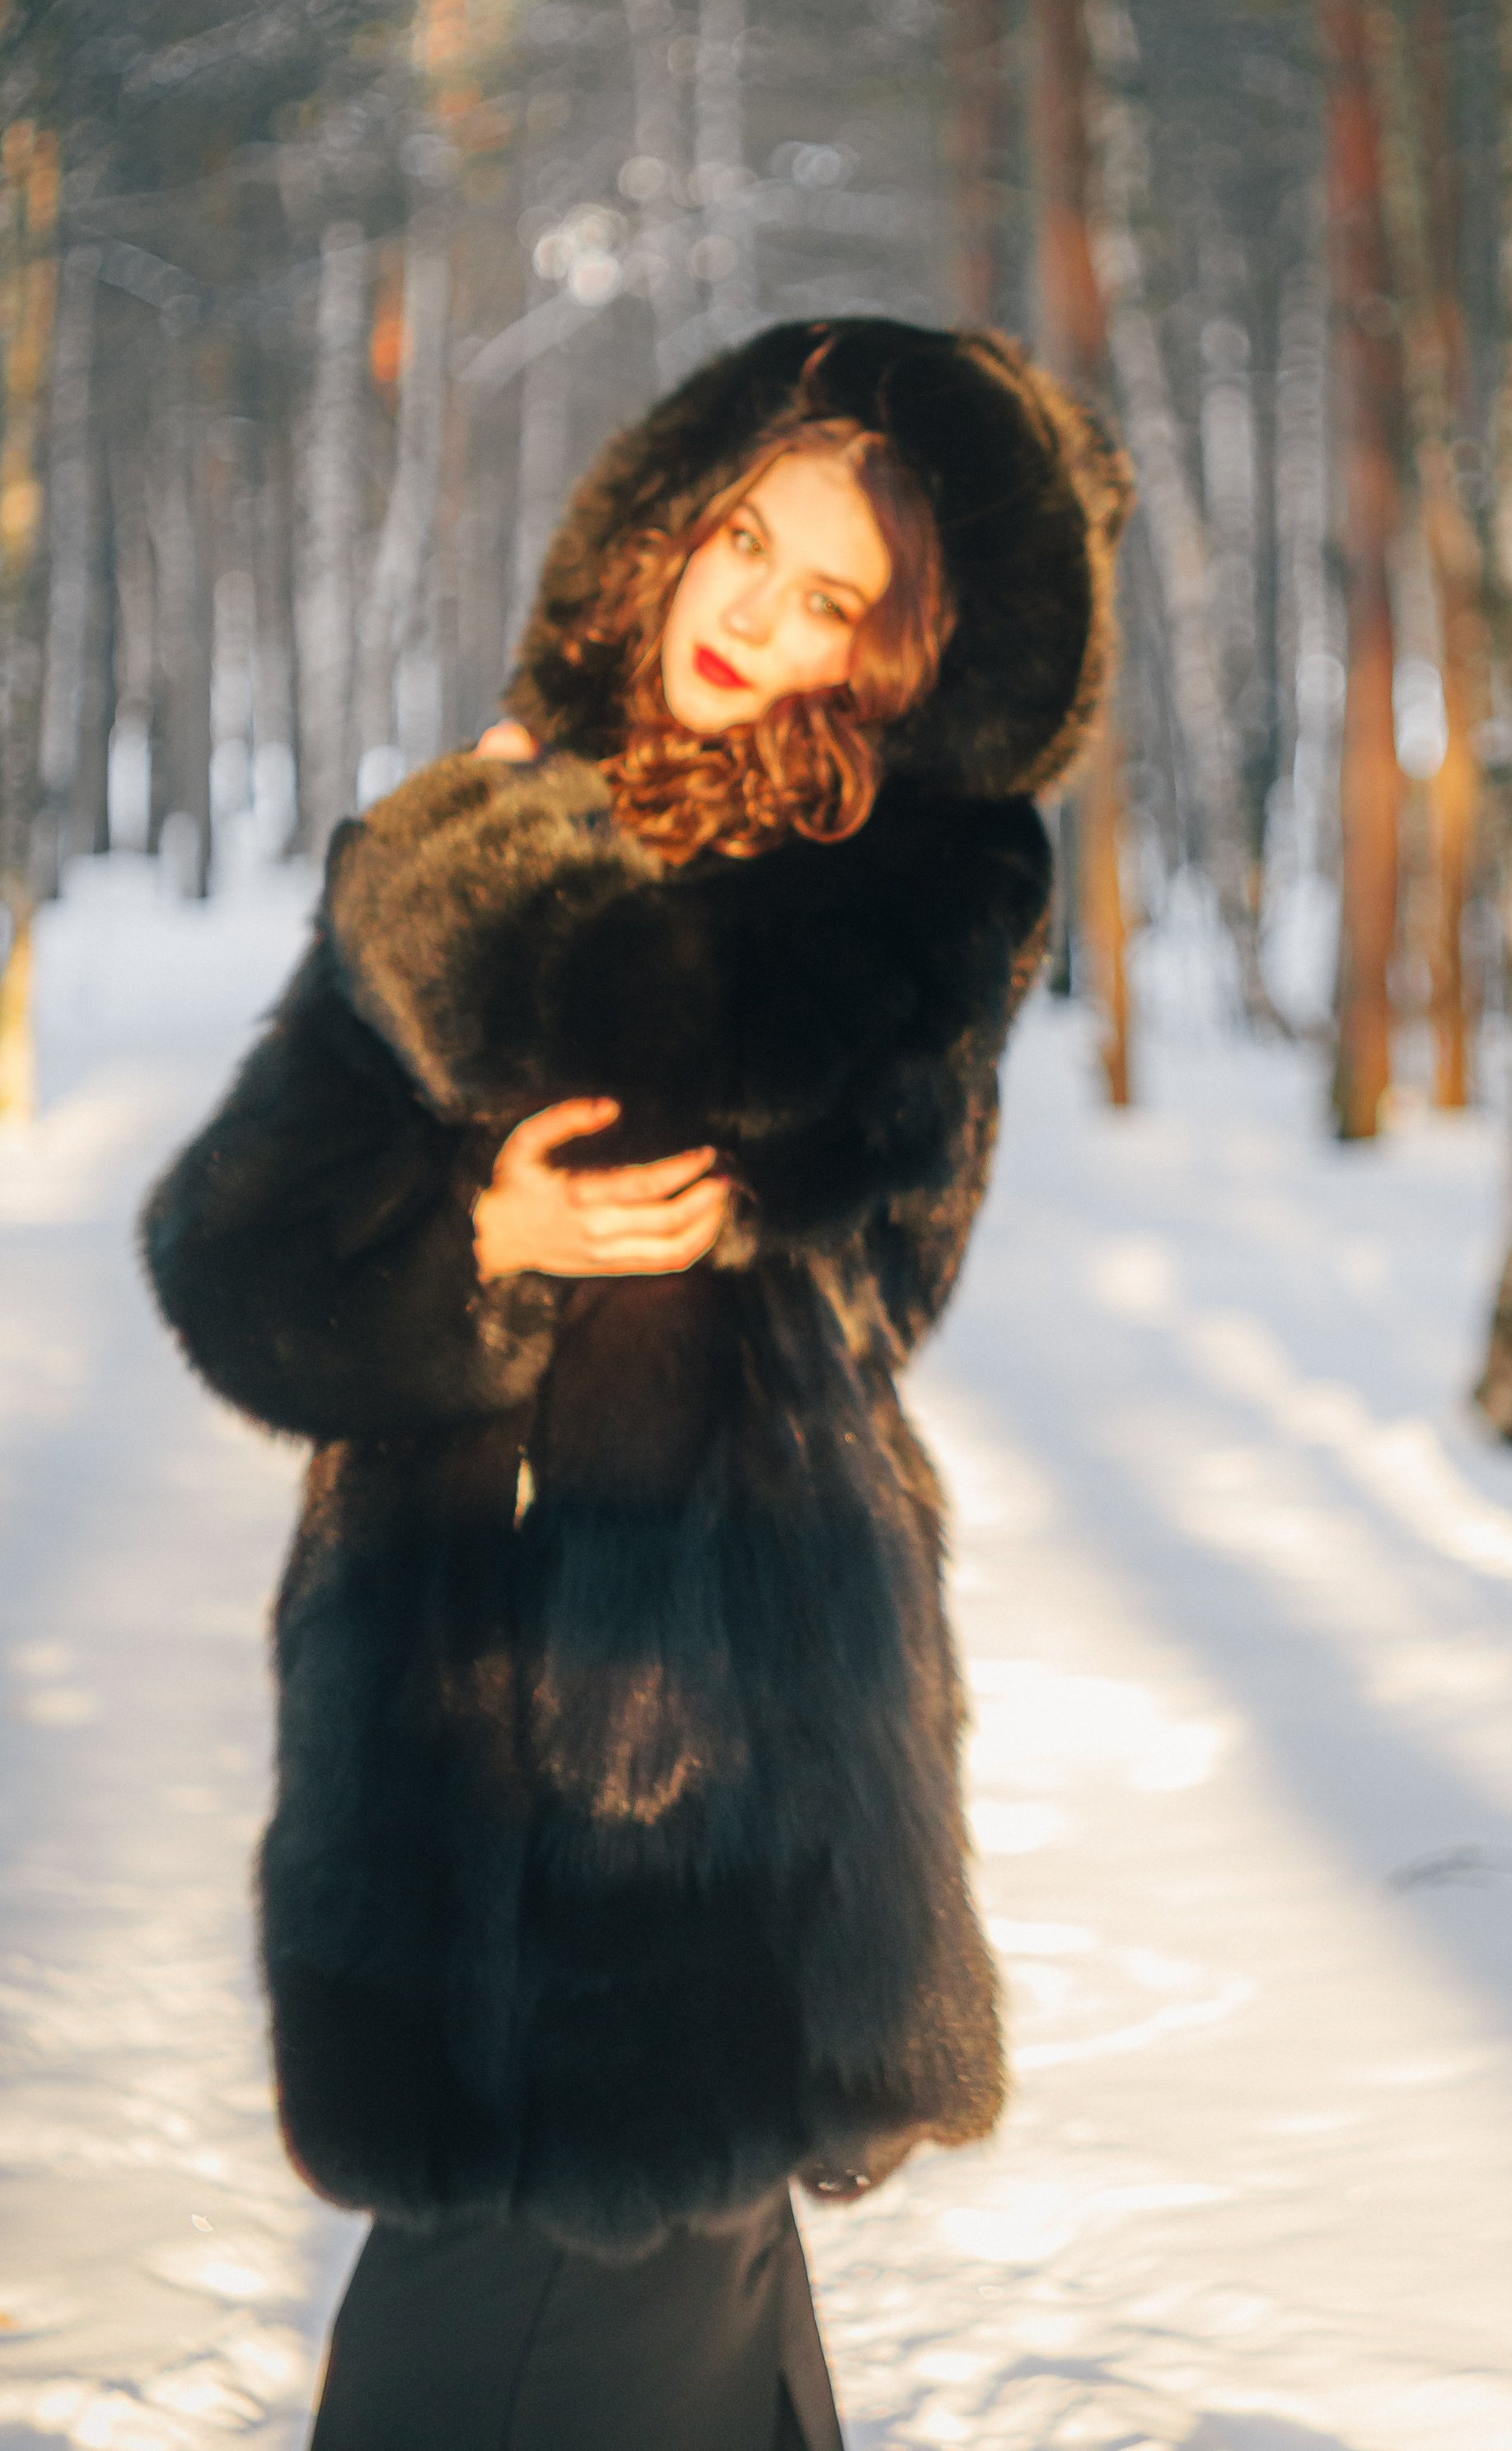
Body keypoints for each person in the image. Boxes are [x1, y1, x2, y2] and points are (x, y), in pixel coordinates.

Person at [143, 316, 1131, 2451]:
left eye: (832, 596)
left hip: (704, 1771)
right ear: (663, 540)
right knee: (653, 2344)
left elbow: (833, 1176)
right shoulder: (478, 834)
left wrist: (485, 884)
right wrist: (477, 1244)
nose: (759, 614)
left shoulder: (897, 900)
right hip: (442, 1751)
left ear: (888, 658)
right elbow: (232, 1260)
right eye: (742, 545)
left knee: (522, 2340)